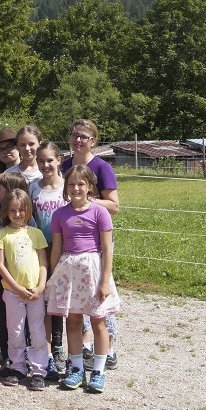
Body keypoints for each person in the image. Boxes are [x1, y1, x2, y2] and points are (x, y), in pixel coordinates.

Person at [46, 165, 121, 393]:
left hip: (93, 270)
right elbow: (57, 248)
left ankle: (98, 370)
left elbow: (107, 249)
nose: (76, 188)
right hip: (69, 270)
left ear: (90, 187)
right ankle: (76, 367)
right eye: (71, 184)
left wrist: (105, 280)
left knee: (98, 321)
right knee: (74, 320)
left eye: (81, 184)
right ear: (66, 187)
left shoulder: (100, 212)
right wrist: (54, 275)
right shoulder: (60, 214)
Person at [61, 119, 120, 371]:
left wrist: (87, 202)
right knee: (76, 300)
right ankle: (83, 347)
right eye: (75, 135)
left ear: (93, 141)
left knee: (99, 298)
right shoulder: (64, 166)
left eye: (84, 137)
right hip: (70, 241)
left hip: (96, 242)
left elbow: (114, 205)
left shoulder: (101, 167)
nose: (78, 140)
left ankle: (109, 348)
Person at [0, 188, 48, 391]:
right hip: (13, 293)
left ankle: (39, 370)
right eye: (13, 210)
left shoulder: (36, 234)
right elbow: (1, 266)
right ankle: (18, 367)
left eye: (21, 210)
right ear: (7, 211)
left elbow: (43, 263)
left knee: (37, 330)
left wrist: (41, 286)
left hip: (35, 292)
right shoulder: (1, 235)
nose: (17, 215)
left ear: (28, 211)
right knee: (15, 332)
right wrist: (17, 288)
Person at [0, 172, 30, 379]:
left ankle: (26, 354)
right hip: (0, 275)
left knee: (25, 317)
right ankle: (6, 355)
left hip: (23, 277)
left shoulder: (27, 217)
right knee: (2, 314)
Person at [29, 141, 68, 381]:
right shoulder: (33, 187)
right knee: (44, 299)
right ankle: (44, 351)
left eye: (49, 160)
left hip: (65, 249)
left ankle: (59, 345)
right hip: (40, 249)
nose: (45, 165)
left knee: (59, 300)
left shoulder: (67, 186)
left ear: (59, 160)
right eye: (41, 161)